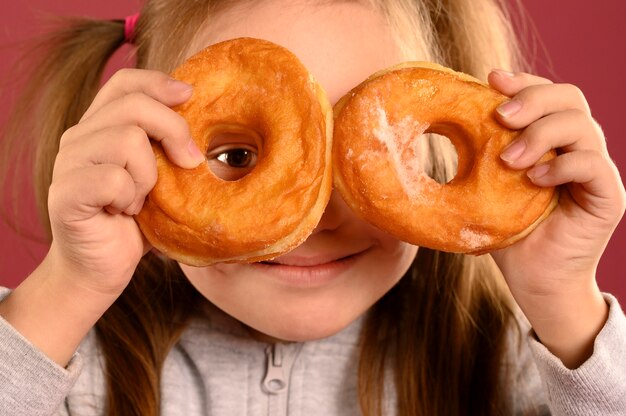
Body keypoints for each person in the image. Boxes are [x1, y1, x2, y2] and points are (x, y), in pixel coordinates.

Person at [0, 0, 625, 414]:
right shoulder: (73, 364)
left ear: (440, 158)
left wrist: (564, 302)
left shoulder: (507, 365)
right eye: (239, 157)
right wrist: (68, 287)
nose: (316, 215)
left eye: (367, 154)